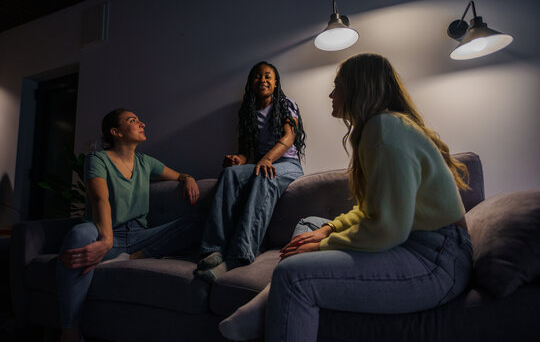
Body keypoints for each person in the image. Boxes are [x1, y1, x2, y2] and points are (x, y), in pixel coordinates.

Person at [218, 53, 473, 342]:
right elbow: (369, 212)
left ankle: (281, 288)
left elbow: (388, 229)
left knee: (292, 275)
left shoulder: (385, 129)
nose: (331, 93)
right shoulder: (381, 127)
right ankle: (271, 297)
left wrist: (323, 245)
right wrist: (328, 230)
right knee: (311, 224)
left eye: (337, 86)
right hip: (423, 246)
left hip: (436, 259)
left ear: (357, 88)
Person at [57, 108, 201, 342]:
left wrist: (189, 178)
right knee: (77, 234)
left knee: (193, 224)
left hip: (137, 236)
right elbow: (99, 198)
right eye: (133, 120)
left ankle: (131, 258)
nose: (142, 123)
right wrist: (105, 239)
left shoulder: (146, 162)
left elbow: (179, 175)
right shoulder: (97, 159)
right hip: (101, 229)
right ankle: (70, 330)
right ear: (116, 132)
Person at [195, 61, 306, 282]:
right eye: (257, 76)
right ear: (250, 83)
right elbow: (246, 151)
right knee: (229, 174)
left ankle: (240, 255)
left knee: (263, 174)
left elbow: (289, 137)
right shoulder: (247, 111)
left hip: (287, 165)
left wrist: (265, 160)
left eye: (268, 76)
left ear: (275, 84)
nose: (262, 79)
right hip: (261, 162)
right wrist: (238, 160)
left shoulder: (286, 104)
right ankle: (213, 249)